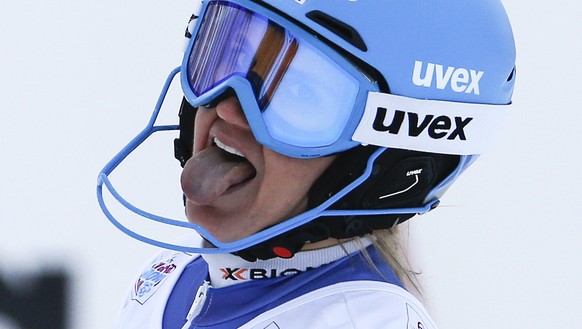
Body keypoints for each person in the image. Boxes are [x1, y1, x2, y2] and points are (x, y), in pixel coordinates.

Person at [97, 0, 516, 327]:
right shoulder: (170, 280)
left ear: (390, 166)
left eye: (302, 95)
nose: (228, 109)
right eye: (227, 54)